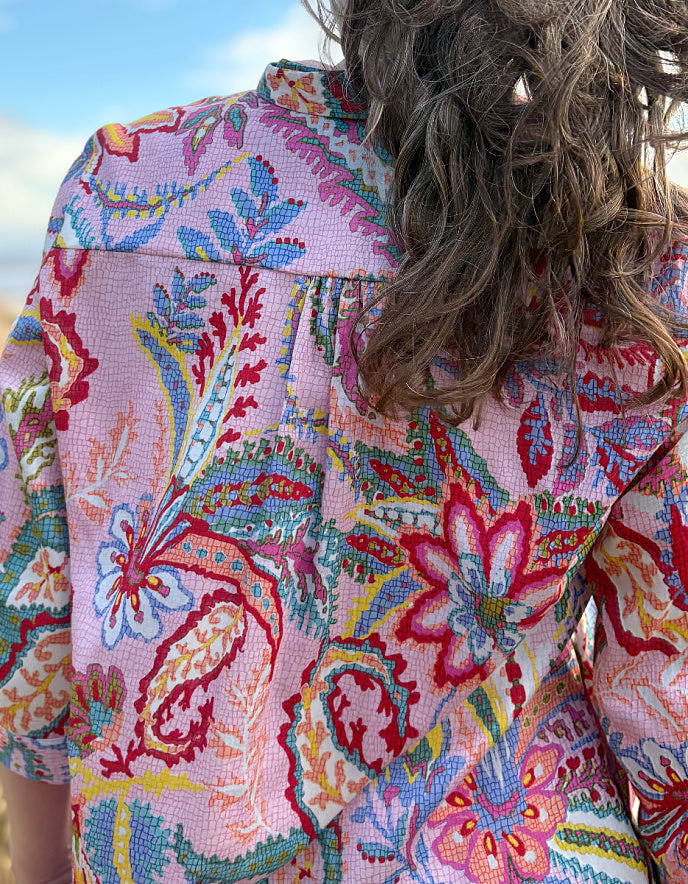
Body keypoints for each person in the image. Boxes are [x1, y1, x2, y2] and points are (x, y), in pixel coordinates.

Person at [1, 0, 688, 881]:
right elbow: (665, 701)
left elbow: (34, 608)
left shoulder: (124, 190)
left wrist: (45, 866)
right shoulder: (626, 259)